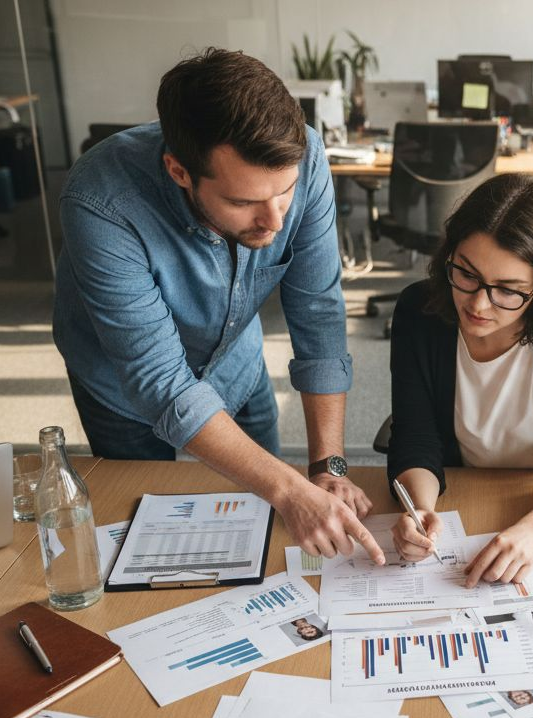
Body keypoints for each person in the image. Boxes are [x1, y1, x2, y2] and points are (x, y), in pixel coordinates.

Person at [52, 48, 383, 565]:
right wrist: (292, 490)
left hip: (235, 361)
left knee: (269, 522)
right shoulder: (101, 202)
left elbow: (317, 312)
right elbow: (160, 382)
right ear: (179, 171)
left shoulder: (307, 156)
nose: (273, 221)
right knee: (145, 532)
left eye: (284, 193)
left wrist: (328, 468)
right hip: (124, 387)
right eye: (243, 202)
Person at [386, 173, 533, 587]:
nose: (477, 304)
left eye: (508, 291)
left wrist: (531, 534)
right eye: (467, 274)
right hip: (458, 494)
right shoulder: (418, 312)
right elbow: (416, 439)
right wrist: (419, 510)